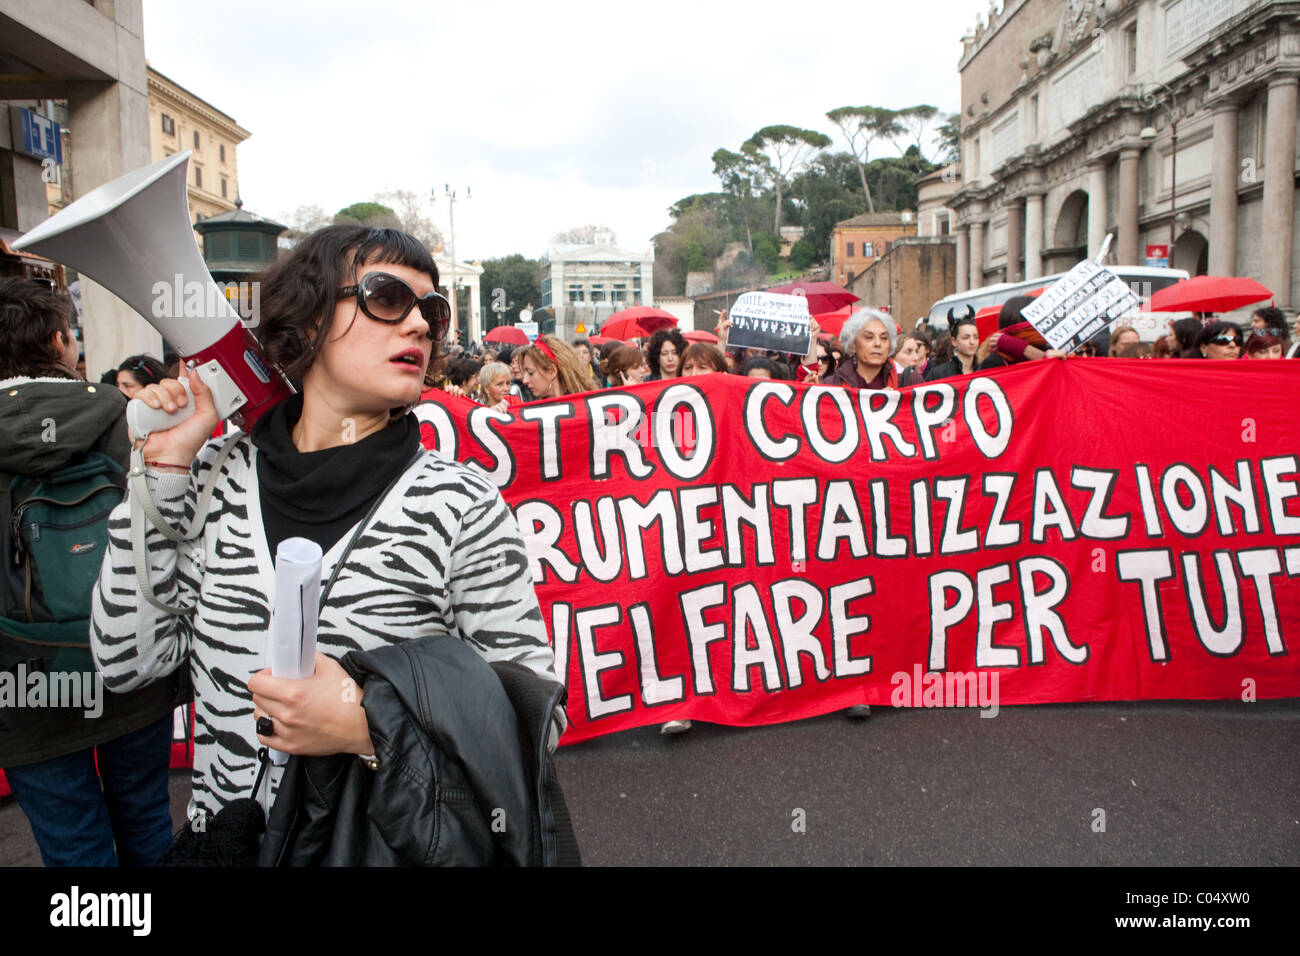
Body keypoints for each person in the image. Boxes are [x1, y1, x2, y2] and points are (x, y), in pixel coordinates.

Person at [90, 226, 561, 824]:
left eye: (431, 313)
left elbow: (534, 722)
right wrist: (161, 469)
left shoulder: (461, 505)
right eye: (386, 298)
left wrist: (367, 727)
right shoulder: (214, 477)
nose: (418, 325)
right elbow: (129, 662)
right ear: (308, 319)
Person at [1, 277, 179, 866]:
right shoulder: (125, 413)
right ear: (58, 341)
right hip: (130, 658)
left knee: (72, 846)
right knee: (148, 822)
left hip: (20, 683)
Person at [825, 308, 923, 389]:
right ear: (853, 345)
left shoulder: (910, 382)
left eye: (884, 338)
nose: (877, 343)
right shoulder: (832, 386)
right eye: (869, 337)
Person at [520, 333, 596, 399]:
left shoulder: (590, 407)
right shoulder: (530, 410)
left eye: (530, 373)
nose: (525, 381)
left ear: (553, 371)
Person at [924, 313, 979, 380]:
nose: (972, 342)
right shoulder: (938, 374)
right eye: (965, 338)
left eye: (976, 337)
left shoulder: (986, 369)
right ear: (954, 341)